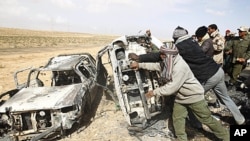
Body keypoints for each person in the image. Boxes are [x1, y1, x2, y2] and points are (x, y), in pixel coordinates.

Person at [129, 26, 246, 126]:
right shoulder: (193, 42)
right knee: (225, 98)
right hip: (218, 72)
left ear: (175, 38)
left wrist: (140, 58)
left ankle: (196, 124)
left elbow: (159, 56)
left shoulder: (178, 48)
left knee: (190, 98)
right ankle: (241, 120)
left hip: (208, 77)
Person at [129, 46, 229, 141]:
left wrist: (154, 92)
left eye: (163, 54)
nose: (161, 56)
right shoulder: (170, 61)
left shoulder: (180, 67)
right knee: (178, 119)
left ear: (170, 55)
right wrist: (140, 65)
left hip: (194, 96)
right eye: (161, 53)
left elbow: (172, 87)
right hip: (181, 97)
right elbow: (158, 66)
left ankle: (226, 137)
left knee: (206, 119)